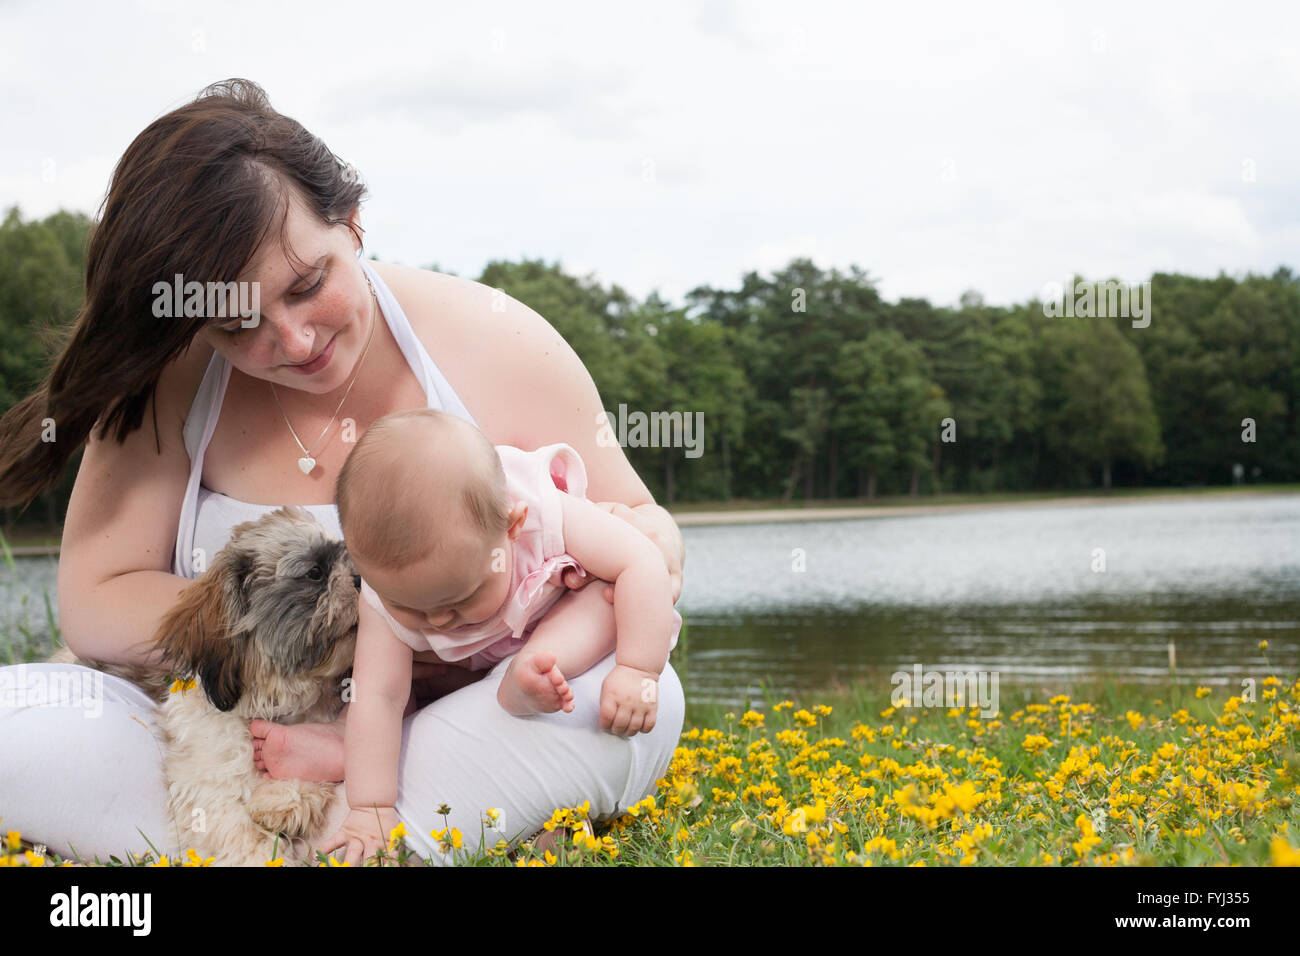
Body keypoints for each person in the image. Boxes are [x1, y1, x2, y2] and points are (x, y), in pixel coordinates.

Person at [0, 78, 685, 865]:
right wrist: (313, 646)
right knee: (20, 724)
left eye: (307, 285)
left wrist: (467, 632)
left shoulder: (496, 342)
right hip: (218, 735)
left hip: (444, 724)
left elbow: (642, 536)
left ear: (352, 221)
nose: (292, 341)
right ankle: (380, 840)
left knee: (634, 703)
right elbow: (95, 604)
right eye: (238, 324)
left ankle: (304, 836)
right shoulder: (169, 381)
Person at [326, 408, 681, 863]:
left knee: (606, 597)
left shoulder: (543, 514)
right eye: (411, 607)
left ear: (512, 527)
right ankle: (541, 826)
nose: (437, 622)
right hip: (477, 684)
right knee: (389, 719)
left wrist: (637, 667)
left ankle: (533, 667)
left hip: (573, 629)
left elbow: (642, 561)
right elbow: (378, 698)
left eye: (461, 597)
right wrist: (370, 807)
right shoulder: (383, 592)